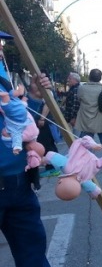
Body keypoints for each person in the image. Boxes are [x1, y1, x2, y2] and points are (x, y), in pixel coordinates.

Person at [0, 42, 52, 266]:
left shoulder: (3, 74)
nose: (1, 50)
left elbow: (20, 111)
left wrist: (36, 94)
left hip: (19, 185)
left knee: (33, 258)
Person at [75, 69, 102, 173]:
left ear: (89, 77)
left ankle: (85, 166)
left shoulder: (82, 89)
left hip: (86, 121)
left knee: (85, 145)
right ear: (100, 78)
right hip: (101, 123)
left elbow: (79, 100)